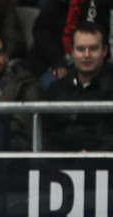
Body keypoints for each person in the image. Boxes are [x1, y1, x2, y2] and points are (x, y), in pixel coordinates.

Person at [43, 21, 113, 151]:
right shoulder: (56, 89)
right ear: (72, 51)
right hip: (60, 166)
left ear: (104, 51)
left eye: (93, 48)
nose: (86, 55)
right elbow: (45, 135)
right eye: (80, 49)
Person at [27, 0, 112, 90]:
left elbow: (103, 42)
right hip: (52, 62)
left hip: (93, 67)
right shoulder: (55, 5)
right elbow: (41, 32)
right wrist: (58, 63)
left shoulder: (99, 4)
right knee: (52, 85)